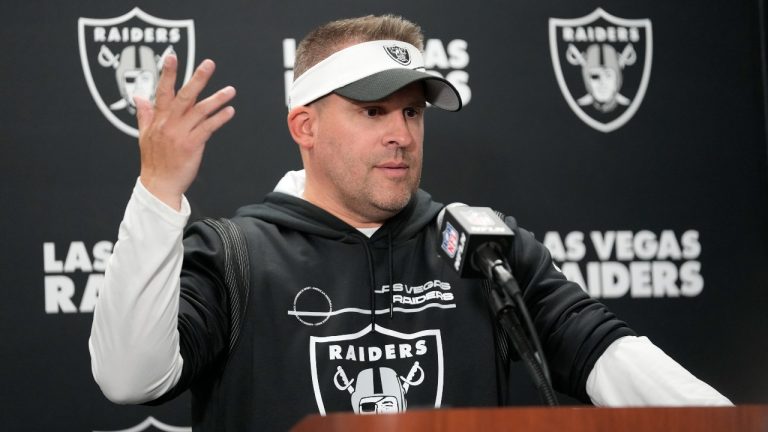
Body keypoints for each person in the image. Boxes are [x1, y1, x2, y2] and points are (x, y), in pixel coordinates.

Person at [89, 14, 731, 431]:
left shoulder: (483, 248)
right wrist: (159, 190)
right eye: (374, 112)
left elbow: (603, 352)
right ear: (304, 126)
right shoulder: (233, 255)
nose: (402, 134)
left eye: (413, 112)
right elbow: (129, 379)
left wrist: (722, 421)